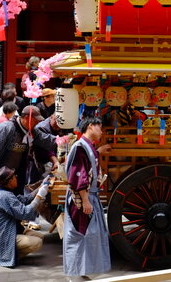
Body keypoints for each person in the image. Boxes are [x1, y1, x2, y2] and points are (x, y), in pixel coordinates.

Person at [63, 118, 111, 277]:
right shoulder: (79, 147)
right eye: (100, 128)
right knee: (81, 234)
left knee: (89, 234)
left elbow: (87, 163)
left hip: (89, 196)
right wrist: (85, 200)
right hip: (82, 197)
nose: (102, 132)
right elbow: (79, 176)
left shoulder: (87, 147)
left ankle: (84, 270)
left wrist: (99, 151)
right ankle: (76, 273)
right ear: (91, 126)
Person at [0, 166, 52, 267]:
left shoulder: (3, 192)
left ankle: (13, 252)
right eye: (14, 177)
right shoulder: (5, 196)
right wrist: (39, 196)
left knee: (41, 237)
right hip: (2, 240)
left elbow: (24, 199)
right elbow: (25, 213)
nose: (16, 178)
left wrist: (40, 187)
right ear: (9, 182)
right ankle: (11, 256)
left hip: (7, 233)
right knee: (37, 242)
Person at [0, 105, 47, 196]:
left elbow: (46, 139)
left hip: (15, 177)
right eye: (35, 120)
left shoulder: (30, 130)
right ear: (27, 118)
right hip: (0, 176)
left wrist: (61, 140)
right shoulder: (6, 127)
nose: (37, 123)